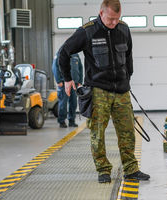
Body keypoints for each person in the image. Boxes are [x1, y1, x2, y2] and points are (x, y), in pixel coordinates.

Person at [58, 0, 150, 183]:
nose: (114, 23)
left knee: (127, 132)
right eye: (110, 19)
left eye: (117, 18)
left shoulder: (124, 29)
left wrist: (127, 78)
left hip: (122, 90)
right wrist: (67, 79)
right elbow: (64, 52)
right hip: (98, 91)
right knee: (97, 133)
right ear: (101, 13)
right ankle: (103, 169)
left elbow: (128, 56)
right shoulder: (88, 31)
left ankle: (131, 169)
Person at [52, 52, 83, 128]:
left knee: (73, 103)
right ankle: (62, 121)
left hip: (74, 83)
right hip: (64, 83)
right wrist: (58, 80)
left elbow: (80, 68)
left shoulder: (76, 55)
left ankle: (72, 121)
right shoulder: (60, 53)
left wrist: (80, 80)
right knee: (63, 103)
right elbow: (54, 67)